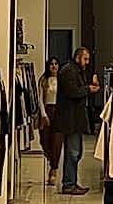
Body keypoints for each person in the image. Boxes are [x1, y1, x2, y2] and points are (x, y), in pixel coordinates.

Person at [52, 47, 100, 195]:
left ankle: (71, 182)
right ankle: (68, 184)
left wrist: (89, 87)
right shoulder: (68, 71)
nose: (87, 62)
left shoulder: (76, 71)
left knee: (76, 152)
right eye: (85, 59)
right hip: (70, 119)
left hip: (74, 119)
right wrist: (88, 89)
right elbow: (72, 92)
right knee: (73, 152)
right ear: (78, 58)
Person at [38, 56, 62, 186]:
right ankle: (50, 159)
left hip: (59, 111)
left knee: (56, 141)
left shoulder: (62, 80)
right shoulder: (44, 80)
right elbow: (40, 98)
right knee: (45, 140)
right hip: (47, 110)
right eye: (51, 64)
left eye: (56, 64)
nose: (54, 66)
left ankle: (54, 169)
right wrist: (43, 114)